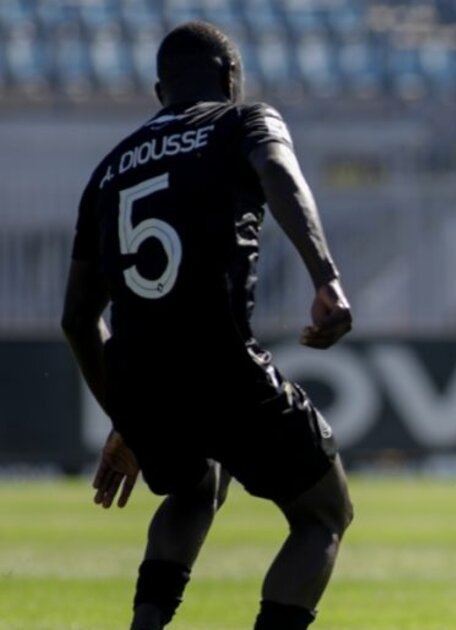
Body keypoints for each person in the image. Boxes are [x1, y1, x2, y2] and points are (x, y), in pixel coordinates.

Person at [60, 21, 354, 630]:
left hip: (144, 378)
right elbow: (279, 173)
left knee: (194, 487)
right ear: (230, 76)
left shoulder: (109, 170)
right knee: (324, 515)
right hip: (222, 361)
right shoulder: (241, 119)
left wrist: (126, 415)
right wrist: (325, 277)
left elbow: (77, 319)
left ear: (159, 91)